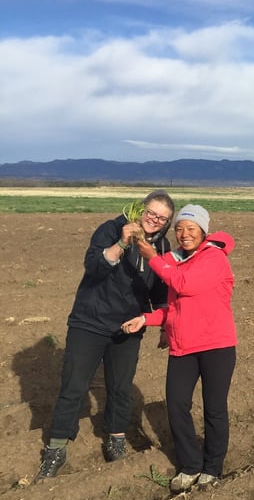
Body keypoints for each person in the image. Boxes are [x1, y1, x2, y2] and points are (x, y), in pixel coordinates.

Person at [36, 190, 175, 481]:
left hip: (128, 326)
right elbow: (93, 266)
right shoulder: (111, 229)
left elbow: (161, 290)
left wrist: (163, 325)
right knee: (74, 386)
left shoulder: (161, 246)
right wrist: (122, 243)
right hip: (90, 321)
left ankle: (115, 439)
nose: (155, 220)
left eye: (162, 218)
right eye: (151, 213)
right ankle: (57, 448)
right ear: (141, 209)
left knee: (121, 387)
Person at [122, 204, 236, 492]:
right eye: (180, 229)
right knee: (176, 405)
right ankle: (190, 465)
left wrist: (153, 258)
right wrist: (146, 319)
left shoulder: (214, 258)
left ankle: (212, 468)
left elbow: (186, 285)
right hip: (183, 346)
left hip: (216, 345)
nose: (184, 234)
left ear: (203, 232)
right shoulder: (177, 261)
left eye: (191, 229)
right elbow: (176, 306)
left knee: (214, 409)